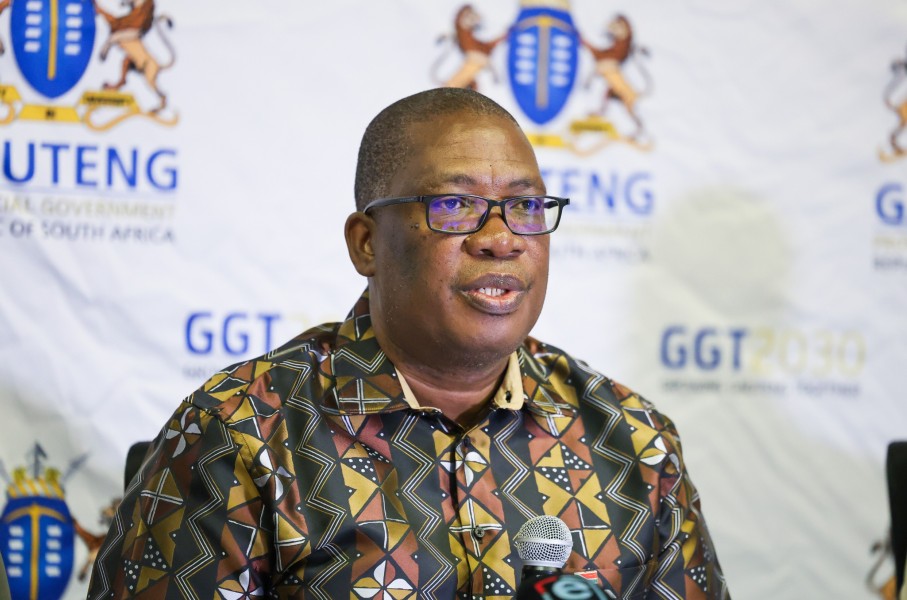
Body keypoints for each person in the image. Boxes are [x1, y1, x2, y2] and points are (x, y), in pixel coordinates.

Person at [88, 88, 729, 599]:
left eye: (526, 207)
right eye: (455, 206)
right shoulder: (243, 431)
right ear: (367, 243)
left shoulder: (633, 440)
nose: (501, 239)